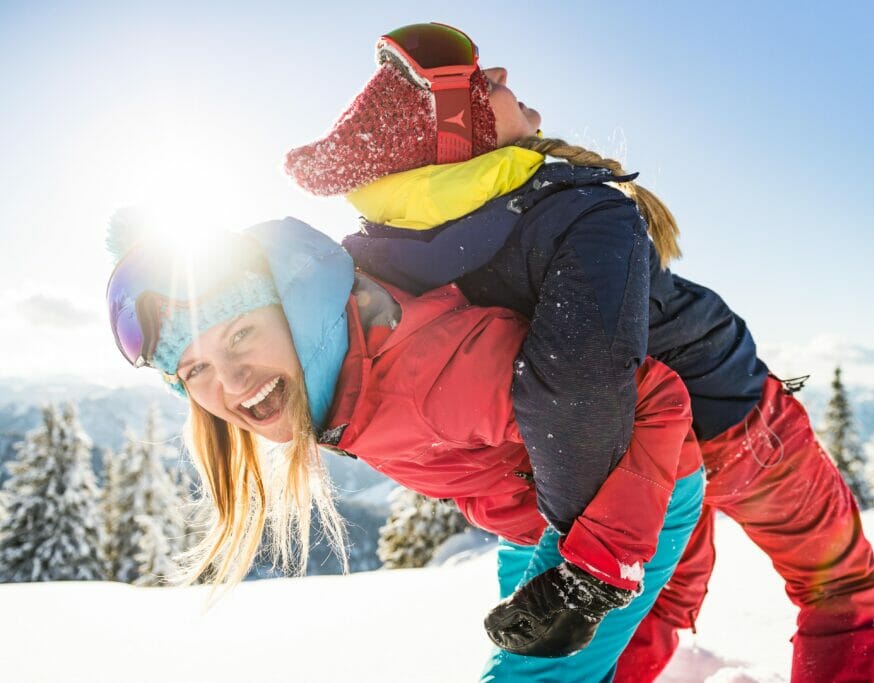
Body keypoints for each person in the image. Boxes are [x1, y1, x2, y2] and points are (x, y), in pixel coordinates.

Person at [283, 22, 874, 682]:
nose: (504, 77)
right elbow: (577, 387)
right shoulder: (573, 211)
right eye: (485, 82)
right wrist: (587, 563)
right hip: (734, 418)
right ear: (461, 131)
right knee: (839, 588)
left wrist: (567, 539)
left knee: (650, 611)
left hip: (628, 475)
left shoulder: (388, 256)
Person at [104, 214, 705, 681]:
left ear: (295, 311)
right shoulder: (338, 368)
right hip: (535, 513)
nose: (232, 383)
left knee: (536, 672)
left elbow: (654, 397)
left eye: (241, 333)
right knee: (556, 648)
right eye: (196, 368)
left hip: (622, 500)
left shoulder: (429, 377)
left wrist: (596, 572)